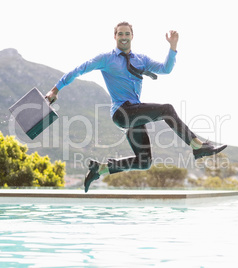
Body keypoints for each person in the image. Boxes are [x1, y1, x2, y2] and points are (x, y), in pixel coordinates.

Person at [46, 22, 227, 193]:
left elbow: (165, 69)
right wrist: (55, 90)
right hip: (122, 112)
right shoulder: (106, 59)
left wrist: (173, 48)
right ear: (115, 36)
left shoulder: (141, 59)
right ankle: (197, 145)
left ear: (132, 36)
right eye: (120, 34)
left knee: (144, 161)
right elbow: (79, 69)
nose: (123, 37)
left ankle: (99, 170)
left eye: (127, 33)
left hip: (135, 113)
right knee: (167, 109)